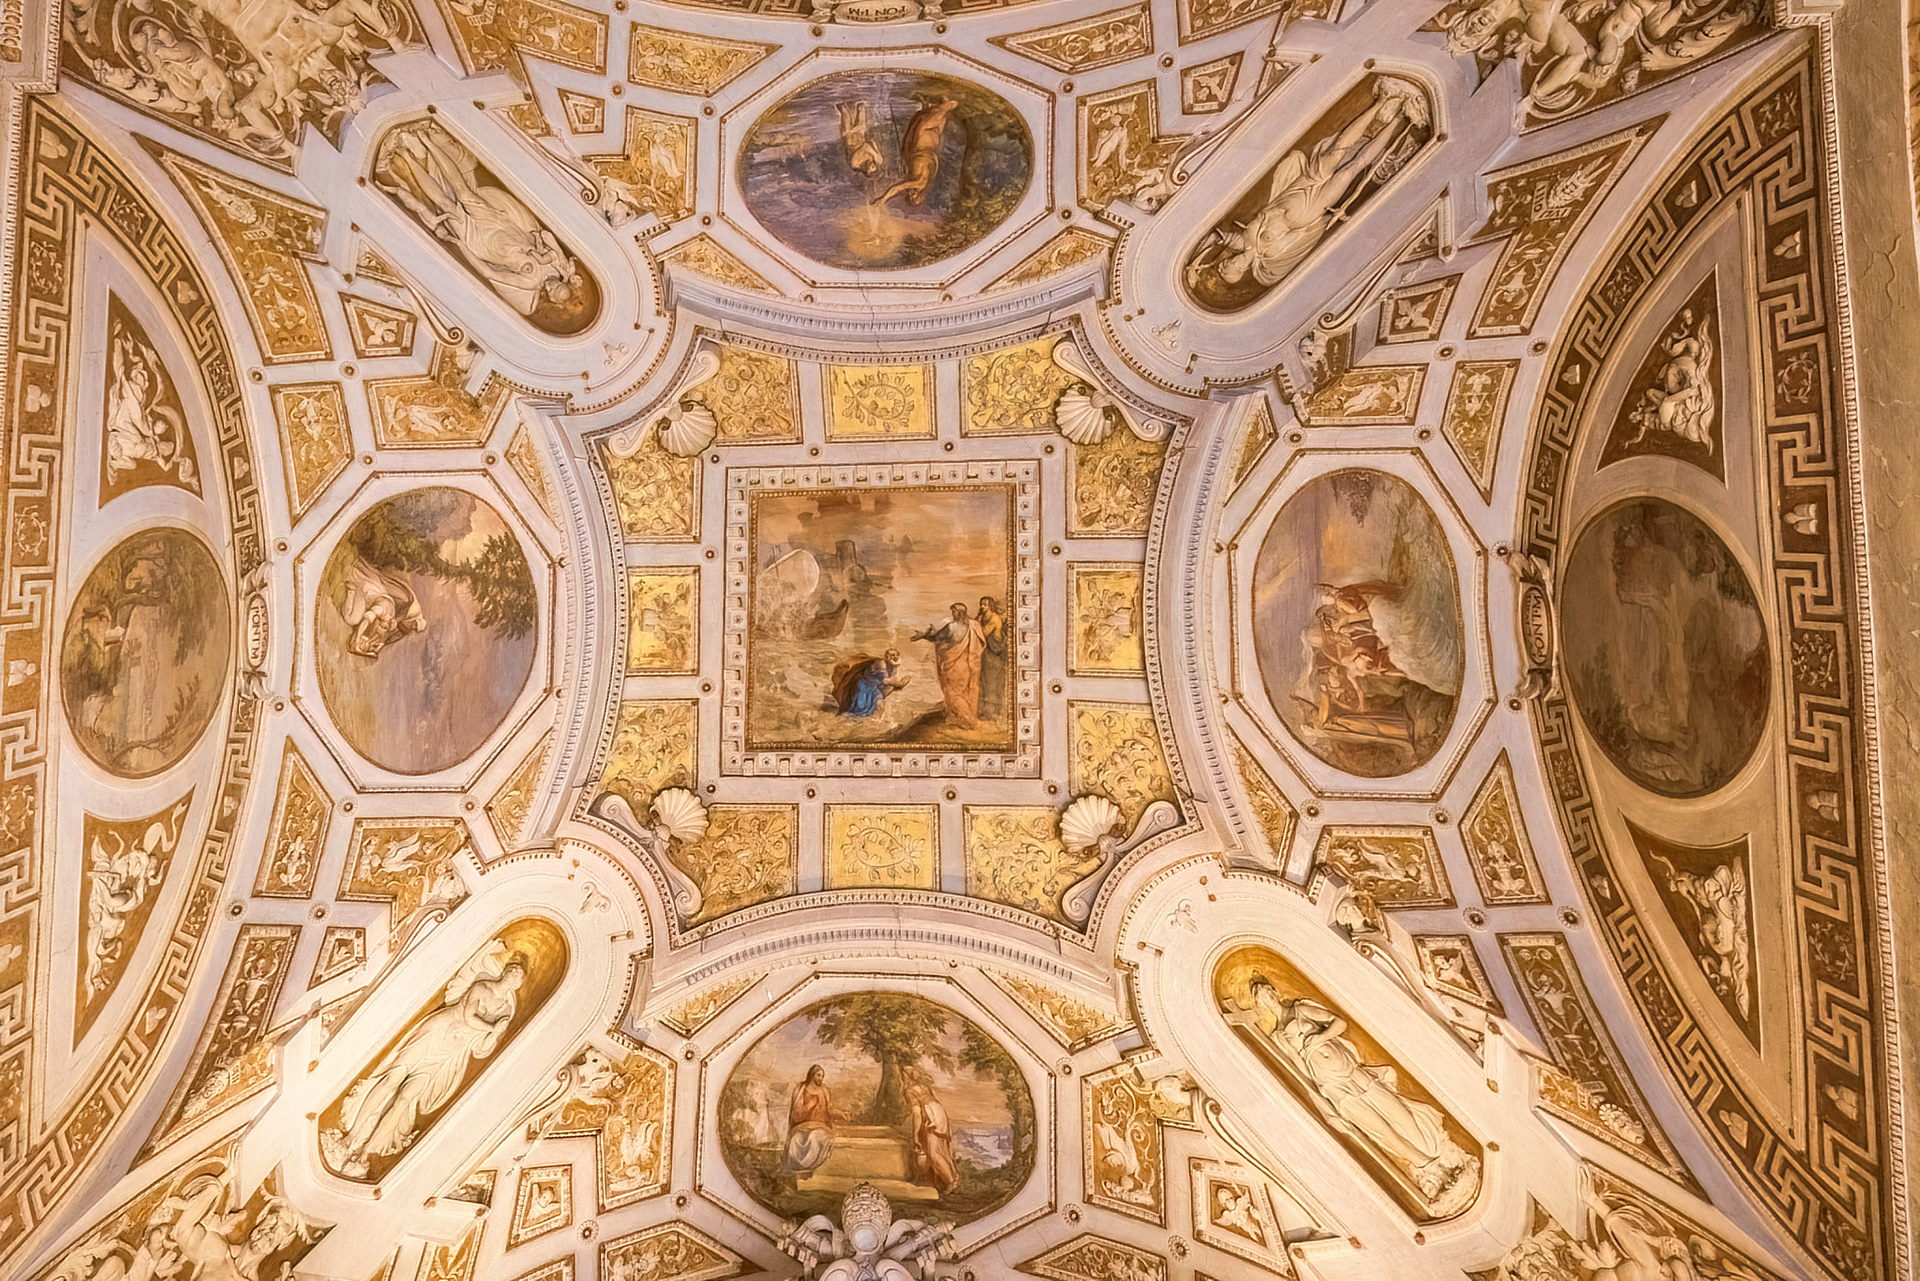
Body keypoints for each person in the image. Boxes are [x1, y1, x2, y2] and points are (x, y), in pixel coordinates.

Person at [1186, 77, 1427, 294]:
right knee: (1352, 170)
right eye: (1232, 268)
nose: (1230, 263)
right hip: (1312, 210)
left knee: (1337, 150)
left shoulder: (1241, 241)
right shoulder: (1267, 262)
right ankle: (1399, 120)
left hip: (1299, 188)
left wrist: (1194, 264)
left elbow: (1212, 238)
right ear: (1241, 273)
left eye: (1226, 263)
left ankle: (1381, 101)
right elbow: (1301, 238)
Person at [322, 949, 527, 1179]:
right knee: (392, 1078)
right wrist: (493, 1028)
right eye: (511, 969)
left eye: (516, 974)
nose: (512, 972)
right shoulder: (483, 987)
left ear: (517, 984)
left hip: (449, 1054)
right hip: (436, 1031)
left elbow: (483, 1048)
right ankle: (351, 1137)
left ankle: (365, 1153)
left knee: (405, 1099)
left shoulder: (506, 1010)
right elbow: (469, 1017)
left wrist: (495, 1034)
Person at [374, 122, 582, 318]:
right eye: (557, 287)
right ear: (564, 283)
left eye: (551, 293)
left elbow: (489, 272)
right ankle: (425, 139)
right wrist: (559, 255)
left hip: (480, 244)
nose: (550, 288)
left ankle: (405, 156)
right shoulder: (555, 265)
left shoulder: (530, 283)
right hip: (499, 224)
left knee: (445, 204)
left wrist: (461, 245)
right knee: (463, 190)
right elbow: (545, 235)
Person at [912, 603, 986, 729]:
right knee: (963, 693)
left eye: (954, 612)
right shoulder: (973, 625)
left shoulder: (952, 627)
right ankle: (958, 718)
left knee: (953, 694)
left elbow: (937, 638)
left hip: (952, 666)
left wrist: (923, 635)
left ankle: (969, 720)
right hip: (966, 665)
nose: (952, 614)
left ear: (959, 613)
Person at [339, 551, 424, 659]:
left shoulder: (391, 617)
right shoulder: (387, 610)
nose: (413, 628)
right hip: (371, 591)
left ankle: (352, 588)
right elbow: (369, 621)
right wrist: (357, 640)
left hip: (376, 595)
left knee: (358, 618)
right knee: (352, 619)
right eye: (415, 625)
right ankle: (352, 585)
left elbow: (388, 636)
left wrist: (378, 644)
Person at [880, 94, 960, 207]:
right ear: (920, 195)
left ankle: (935, 103)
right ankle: (952, 101)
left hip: (929, 144)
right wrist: (882, 199)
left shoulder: (924, 184)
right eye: (914, 196)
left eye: (909, 196)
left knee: (931, 118)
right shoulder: (918, 184)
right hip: (924, 142)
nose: (910, 194)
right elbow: (897, 188)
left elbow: (901, 188)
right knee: (939, 114)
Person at [906, 1073, 959, 1195]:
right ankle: (945, 1180)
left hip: (931, 1115)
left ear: (904, 1077)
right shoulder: (924, 1086)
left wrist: (915, 1136)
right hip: (939, 1111)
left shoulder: (909, 1090)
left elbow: (917, 1114)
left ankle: (950, 1182)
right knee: (941, 1149)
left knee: (933, 1153)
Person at [785, 1064, 844, 1175]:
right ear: (812, 1075)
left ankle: (808, 1167)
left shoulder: (824, 1091)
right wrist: (809, 1106)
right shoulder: (801, 1090)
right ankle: (797, 1169)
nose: (821, 1078)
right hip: (802, 1127)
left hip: (820, 1127)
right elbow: (796, 1114)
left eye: (822, 1076)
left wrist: (841, 1114)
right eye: (818, 1075)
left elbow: (830, 1110)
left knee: (814, 1137)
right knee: (795, 1140)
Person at [830, 649, 908, 717]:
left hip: (873, 687)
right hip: (864, 687)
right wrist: (899, 684)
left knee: (878, 707)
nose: (895, 657)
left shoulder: (892, 665)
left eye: (897, 654)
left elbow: (892, 679)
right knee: (859, 709)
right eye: (892, 655)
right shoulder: (881, 665)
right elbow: (885, 681)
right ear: (887, 657)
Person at [975, 597, 1008, 722]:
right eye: (981, 604)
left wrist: (976, 622)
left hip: (994, 653)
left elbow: (983, 633)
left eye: (985, 604)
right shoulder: (982, 618)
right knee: (983, 680)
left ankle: (992, 712)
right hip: (986, 653)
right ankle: (984, 711)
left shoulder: (994, 619)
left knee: (991, 681)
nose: (982, 607)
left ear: (990, 606)